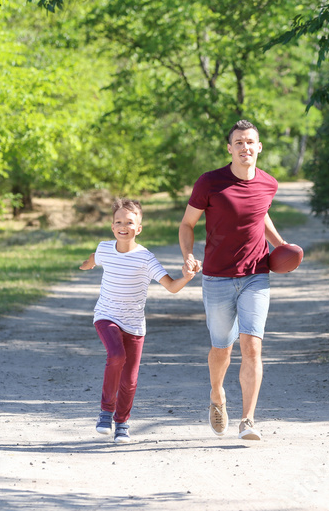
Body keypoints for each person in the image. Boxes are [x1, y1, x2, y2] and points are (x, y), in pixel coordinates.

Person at [179, 119, 293, 441]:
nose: (245, 148)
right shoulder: (210, 183)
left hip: (256, 275)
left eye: (250, 142)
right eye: (238, 143)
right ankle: (217, 395)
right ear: (230, 149)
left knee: (252, 346)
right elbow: (187, 224)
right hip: (216, 278)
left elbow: (261, 214)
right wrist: (187, 255)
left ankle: (248, 420)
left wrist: (281, 245)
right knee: (222, 349)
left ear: (259, 147)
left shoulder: (268, 184)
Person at [80, 198, 195, 443]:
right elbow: (94, 257)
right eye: (119, 222)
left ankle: (122, 423)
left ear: (139, 228)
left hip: (134, 325)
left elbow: (172, 287)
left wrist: (186, 277)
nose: (124, 226)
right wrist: (86, 265)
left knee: (130, 380)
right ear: (112, 227)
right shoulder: (105, 248)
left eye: (130, 222)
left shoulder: (146, 258)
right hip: (106, 316)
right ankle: (105, 412)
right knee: (116, 356)